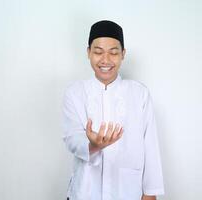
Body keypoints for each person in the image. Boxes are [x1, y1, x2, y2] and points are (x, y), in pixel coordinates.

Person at [62, 20, 164, 200]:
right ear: (88, 53)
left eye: (114, 52)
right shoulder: (74, 93)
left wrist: (150, 192)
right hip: (85, 192)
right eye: (98, 52)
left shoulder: (139, 93)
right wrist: (93, 145)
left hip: (127, 191)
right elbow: (72, 138)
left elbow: (151, 146)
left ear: (123, 54)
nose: (105, 60)